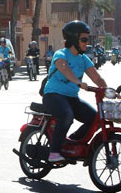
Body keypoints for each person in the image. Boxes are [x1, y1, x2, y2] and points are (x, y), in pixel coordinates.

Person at [42, 20, 108, 163]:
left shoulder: (83, 59)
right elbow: (64, 68)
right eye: (84, 39)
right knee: (67, 115)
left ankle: (71, 143)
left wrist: (109, 91)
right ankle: (54, 152)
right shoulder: (61, 54)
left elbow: (97, 77)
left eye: (87, 39)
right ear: (73, 40)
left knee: (94, 118)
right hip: (53, 96)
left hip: (71, 98)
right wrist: (78, 82)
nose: (87, 43)